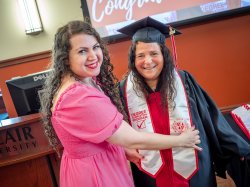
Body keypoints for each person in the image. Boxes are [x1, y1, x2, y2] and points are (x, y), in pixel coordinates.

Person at [39, 20, 202, 187]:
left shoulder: (87, 80)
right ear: (65, 59)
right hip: (94, 174)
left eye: (95, 47)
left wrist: (122, 150)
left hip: (103, 164)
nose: (93, 56)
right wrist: (181, 140)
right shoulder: (77, 97)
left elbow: (95, 131)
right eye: (82, 51)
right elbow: (132, 138)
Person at [118, 16, 250, 187]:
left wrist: (239, 147)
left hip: (193, 169)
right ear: (133, 60)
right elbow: (117, 129)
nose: (148, 61)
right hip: (149, 172)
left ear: (164, 55)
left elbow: (211, 117)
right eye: (140, 55)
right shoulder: (124, 89)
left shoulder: (184, 80)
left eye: (154, 53)